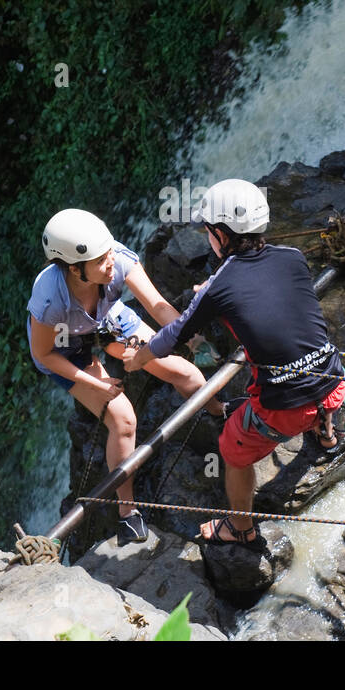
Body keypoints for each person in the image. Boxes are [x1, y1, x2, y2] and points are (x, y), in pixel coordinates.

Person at [125, 179, 345, 547]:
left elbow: (174, 334)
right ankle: (326, 433)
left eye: (209, 231)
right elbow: (271, 297)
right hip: (334, 381)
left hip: (285, 411)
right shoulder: (293, 256)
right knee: (309, 369)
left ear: (221, 234)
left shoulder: (219, 285)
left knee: (231, 447)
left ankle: (240, 529)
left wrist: (139, 357)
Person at [28, 208, 224, 545]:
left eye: (109, 254)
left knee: (184, 370)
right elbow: (44, 355)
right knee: (124, 419)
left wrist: (189, 337)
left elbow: (158, 305)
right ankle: (127, 512)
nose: (110, 262)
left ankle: (223, 416)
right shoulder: (49, 300)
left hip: (107, 320)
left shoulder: (116, 259)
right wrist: (97, 382)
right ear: (75, 269)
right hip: (66, 347)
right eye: (101, 260)